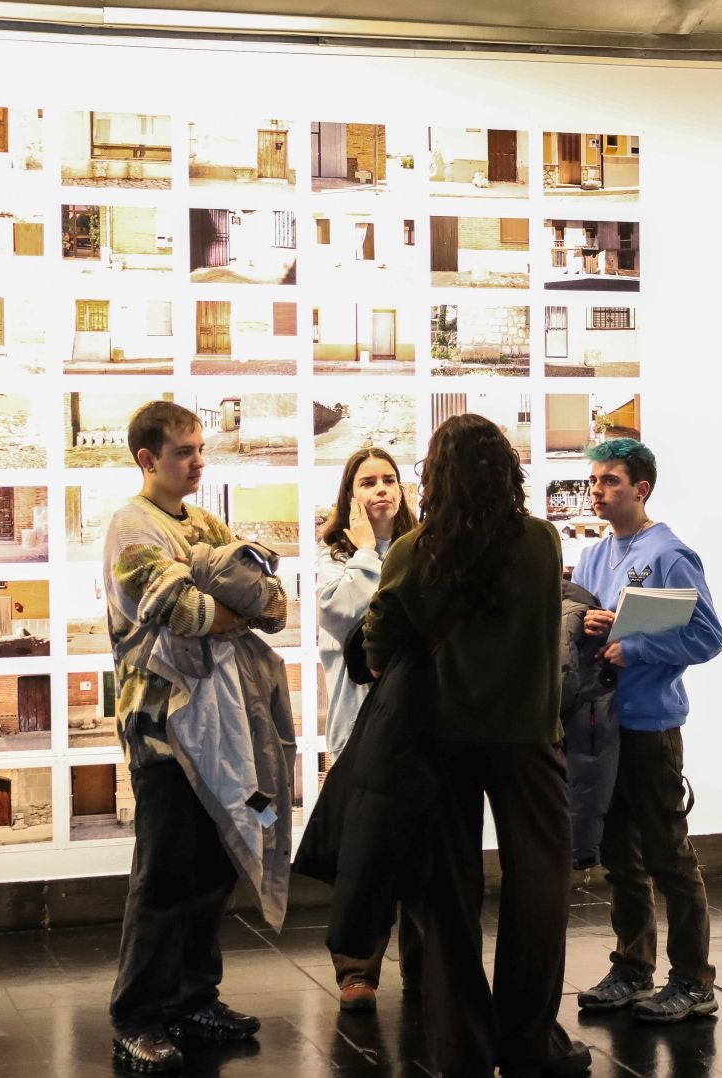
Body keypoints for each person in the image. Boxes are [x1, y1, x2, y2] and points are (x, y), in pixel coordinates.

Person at [362, 414, 590, 1078]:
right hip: (528, 740)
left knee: (446, 898)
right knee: (539, 890)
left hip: (440, 743)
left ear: (435, 476)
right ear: (506, 471)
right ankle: (530, 1041)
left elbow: (376, 652)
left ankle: (460, 1046)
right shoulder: (542, 542)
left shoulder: (412, 551)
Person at [104, 400, 289, 1074]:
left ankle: (192, 998)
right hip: (162, 730)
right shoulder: (132, 526)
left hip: (222, 729)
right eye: (184, 452)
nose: (198, 461)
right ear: (148, 459)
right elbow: (187, 610)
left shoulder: (204, 523)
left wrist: (238, 601)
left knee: (213, 866)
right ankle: (138, 1016)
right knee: (163, 872)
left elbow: (271, 599)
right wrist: (231, 604)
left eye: (200, 448)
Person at [571, 438, 722, 1024]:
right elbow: (581, 621)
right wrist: (582, 620)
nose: (598, 491)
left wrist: (635, 646)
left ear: (642, 489)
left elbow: (707, 637)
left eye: (610, 481)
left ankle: (692, 980)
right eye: (594, 481)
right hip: (601, 725)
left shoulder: (669, 554)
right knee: (619, 857)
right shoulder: (591, 555)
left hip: (651, 727)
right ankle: (632, 969)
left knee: (668, 856)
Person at [315, 447, 419, 1012]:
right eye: (367, 482)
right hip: (358, 719)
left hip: (419, 718)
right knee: (364, 853)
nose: (380, 490)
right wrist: (362, 554)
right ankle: (357, 970)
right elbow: (343, 616)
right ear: (349, 494)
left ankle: (426, 964)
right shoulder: (334, 557)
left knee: (422, 848)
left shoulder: (421, 545)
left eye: (389, 479)